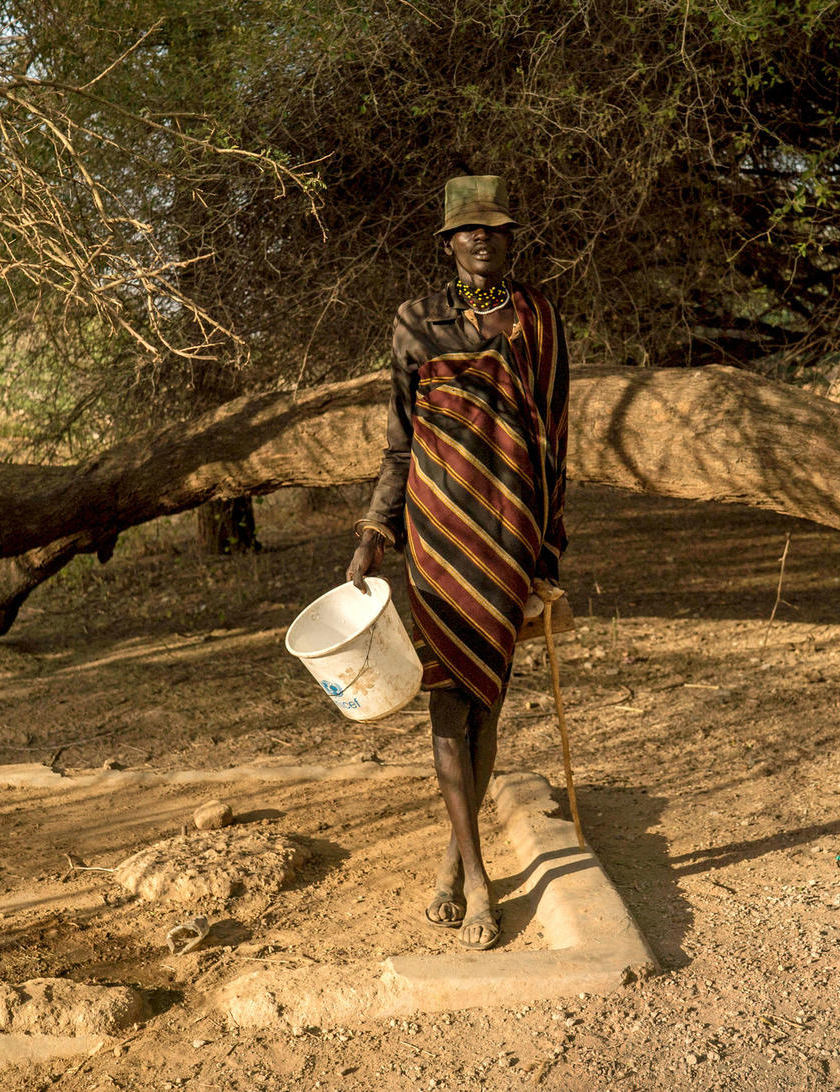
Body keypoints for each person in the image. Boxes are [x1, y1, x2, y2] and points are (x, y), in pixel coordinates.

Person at [347, 175, 569, 950]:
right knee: (448, 706)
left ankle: (453, 850)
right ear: (447, 242)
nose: (483, 239)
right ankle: (476, 881)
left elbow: (555, 434)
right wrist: (374, 532)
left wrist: (549, 547)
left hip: (509, 531)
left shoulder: (539, 318)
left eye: (495, 228)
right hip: (438, 533)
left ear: (510, 240)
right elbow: (399, 440)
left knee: (489, 703)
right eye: (468, 229)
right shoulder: (417, 323)